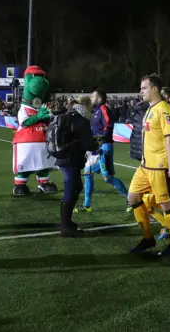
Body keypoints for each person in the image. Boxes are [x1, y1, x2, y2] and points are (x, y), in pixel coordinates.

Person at [126, 74, 170, 256]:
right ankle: (148, 238)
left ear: (155, 89)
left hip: (159, 166)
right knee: (133, 198)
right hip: (145, 166)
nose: (141, 91)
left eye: (144, 88)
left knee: (166, 205)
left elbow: (169, 137)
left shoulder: (164, 109)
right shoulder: (149, 109)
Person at [74, 89, 129, 213]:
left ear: (99, 99)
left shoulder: (103, 109)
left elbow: (108, 124)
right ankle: (87, 205)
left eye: (93, 96)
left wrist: (102, 137)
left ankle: (130, 199)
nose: (91, 98)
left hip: (104, 147)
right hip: (97, 148)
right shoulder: (95, 111)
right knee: (88, 173)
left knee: (107, 177)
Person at [54, 99, 96, 236]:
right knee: (71, 191)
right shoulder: (82, 120)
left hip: (63, 158)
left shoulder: (68, 115)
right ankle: (65, 227)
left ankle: (67, 222)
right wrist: (97, 143)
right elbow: (89, 145)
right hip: (71, 159)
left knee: (76, 188)